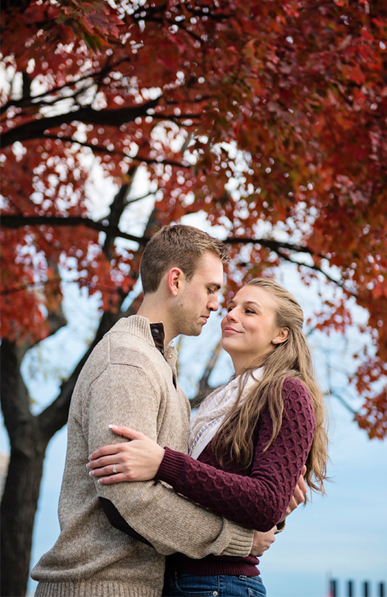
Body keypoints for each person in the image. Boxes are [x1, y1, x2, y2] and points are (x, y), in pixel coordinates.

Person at [31, 225, 271, 597]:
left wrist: (270, 486)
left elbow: (178, 481)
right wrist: (237, 539)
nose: (215, 304)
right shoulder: (129, 360)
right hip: (99, 587)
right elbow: (127, 498)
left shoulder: (158, 362)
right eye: (211, 289)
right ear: (175, 280)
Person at [86, 277, 329, 597]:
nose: (230, 314)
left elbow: (267, 503)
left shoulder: (287, 391)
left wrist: (164, 463)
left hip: (219, 582)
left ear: (280, 334)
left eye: (250, 311)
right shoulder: (219, 400)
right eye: (231, 307)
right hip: (180, 577)